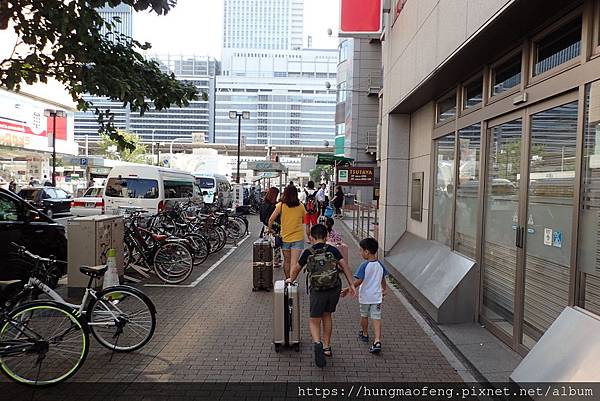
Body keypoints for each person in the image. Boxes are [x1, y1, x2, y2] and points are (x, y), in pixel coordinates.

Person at [287, 224, 356, 367]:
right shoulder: (333, 250)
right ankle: (326, 347)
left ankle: (317, 343)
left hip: (317, 290)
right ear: (326, 237)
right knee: (327, 316)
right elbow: (345, 267)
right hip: (333, 289)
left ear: (311, 237)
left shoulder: (308, 252)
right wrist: (352, 285)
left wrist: (290, 279)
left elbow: (296, 269)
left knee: (314, 320)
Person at [341, 237, 388, 354]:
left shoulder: (364, 265)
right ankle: (377, 340)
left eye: (361, 250)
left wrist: (348, 288)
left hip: (365, 297)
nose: (360, 253)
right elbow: (382, 278)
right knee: (376, 317)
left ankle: (365, 333)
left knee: (364, 316)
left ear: (367, 252)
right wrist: (385, 289)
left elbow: (359, 281)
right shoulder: (380, 265)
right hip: (377, 297)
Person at [268, 184, 306, 279]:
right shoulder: (301, 206)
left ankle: (287, 280)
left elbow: (271, 219)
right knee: (294, 263)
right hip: (298, 237)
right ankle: (292, 282)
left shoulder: (281, 205)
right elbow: (304, 220)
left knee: (287, 261)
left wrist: (270, 230)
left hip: (285, 238)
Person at [260, 187, 282, 268]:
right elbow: (271, 218)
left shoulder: (263, 203)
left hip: (266, 227)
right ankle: (276, 261)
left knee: (268, 244)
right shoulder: (273, 205)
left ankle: (267, 260)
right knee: (275, 244)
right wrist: (271, 228)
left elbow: (261, 218)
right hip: (272, 227)